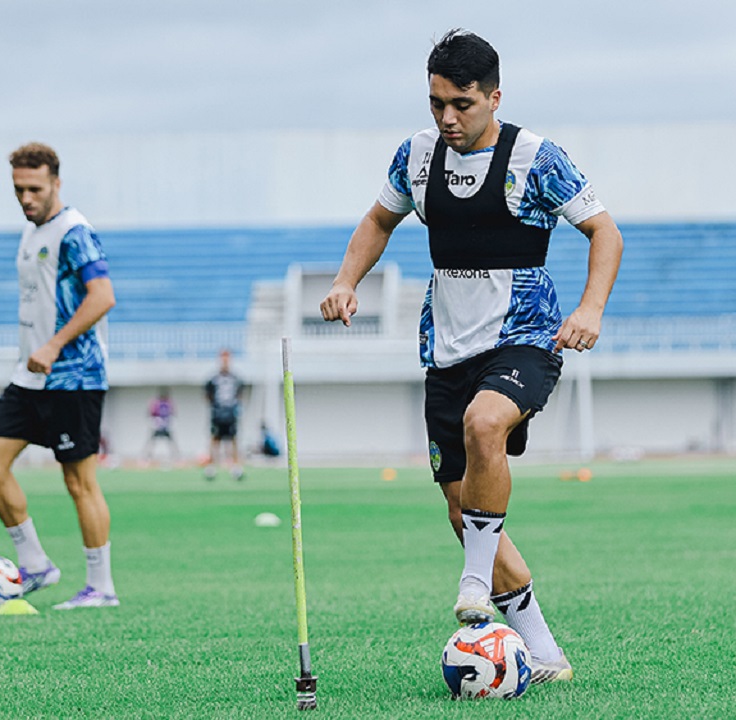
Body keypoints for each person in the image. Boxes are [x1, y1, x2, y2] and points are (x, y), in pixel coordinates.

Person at [320, 30, 623, 684]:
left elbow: (604, 231)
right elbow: (378, 221)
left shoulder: (537, 159)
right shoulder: (418, 157)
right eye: (436, 104)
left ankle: (473, 587)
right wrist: (348, 281)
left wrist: (591, 309)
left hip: (526, 335)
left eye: (462, 104)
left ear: (494, 96)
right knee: (464, 512)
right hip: (445, 347)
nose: (448, 118)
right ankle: (543, 653)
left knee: (485, 424)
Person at [0, 142, 121, 610]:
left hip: (72, 376)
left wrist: (54, 345)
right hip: (29, 377)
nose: (25, 198)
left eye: (34, 188)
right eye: (18, 189)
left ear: (56, 182)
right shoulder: (29, 232)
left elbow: (102, 296)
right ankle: (35, 565)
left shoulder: (75, 232)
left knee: (79, 483)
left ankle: (101, 588)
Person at [204, 349, 246, 481]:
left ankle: (235, 467)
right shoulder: (213, 379)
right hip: (217, 414)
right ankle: (211, 467)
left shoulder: (235, 379)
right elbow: (208, 395)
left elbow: (239, 395)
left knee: (233, 440)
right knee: (215, 440)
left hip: (231, 415)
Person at [142, 387, 180, 466]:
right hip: (158, 425)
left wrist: (170, 422)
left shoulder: (169, 403)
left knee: (171, 442)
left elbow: (173, 413)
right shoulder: (156, 403)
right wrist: (154, 422)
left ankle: (176, 457)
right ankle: (147, 458)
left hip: (166, 425)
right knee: (152, 442)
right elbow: (150, 413)